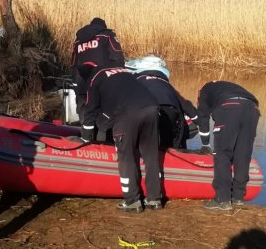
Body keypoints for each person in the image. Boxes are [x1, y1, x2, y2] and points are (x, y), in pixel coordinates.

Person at [79, 64, 162, 213]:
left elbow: (90, 110)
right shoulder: (122, 70)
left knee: (126, 156)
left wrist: (86, 139)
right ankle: (154, 199)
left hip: (127, 112)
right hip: (152, 107)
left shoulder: (94, 78)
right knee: (151, 155)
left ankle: (132, 201)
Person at [196, 81, 260, 211]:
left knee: (222, 153)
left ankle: (222, 199)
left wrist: (205, 143)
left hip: (229, 107)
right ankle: (238, 197)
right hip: (253, 108)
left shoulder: (203, 92)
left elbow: (203, 118)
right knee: (243, 154)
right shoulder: (226, 86)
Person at [70, 17, 125, 141]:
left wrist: (75, 85)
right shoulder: (107, 35)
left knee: (85, 111)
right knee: (104, 112)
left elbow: (73, 64)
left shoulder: (78, 40)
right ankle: (103, 145)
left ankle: (85, 140)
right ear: (103, 26)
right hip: (101, 80)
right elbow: (118, 58)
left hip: (82, 82)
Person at [132, 56, 199, 149]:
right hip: (171, 112)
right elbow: (186, 106)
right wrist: (201, 122)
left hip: (148, 112)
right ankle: (174, 152)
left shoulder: (135, 81)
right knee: (168, 143)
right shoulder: (166, 85)